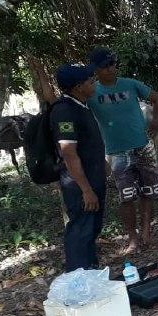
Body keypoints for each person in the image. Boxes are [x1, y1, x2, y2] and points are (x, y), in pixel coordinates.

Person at [87, 47, 158, 252]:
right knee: (126, 196)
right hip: (116, 152)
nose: (111, 69)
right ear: (96, 69)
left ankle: (146, 230)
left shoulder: (130, 84)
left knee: (148, 191)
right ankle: (133, 238)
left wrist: (155, 121)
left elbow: (157, 98)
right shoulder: (91, 92)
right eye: (106, 66)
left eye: (113, 64)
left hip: (143, 146)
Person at [51, 64, 107, 272]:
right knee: (81, 231)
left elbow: (87, 143)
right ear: (77, 87)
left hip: (93, 178)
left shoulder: (81, 106)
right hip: (80, 186)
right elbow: (68, 152)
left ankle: (90, 271)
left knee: (91, 228)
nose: (94, 84)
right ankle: (79, 276)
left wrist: (103, 163)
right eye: (90, 81)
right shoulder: (65, 111)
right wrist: (85, 190)